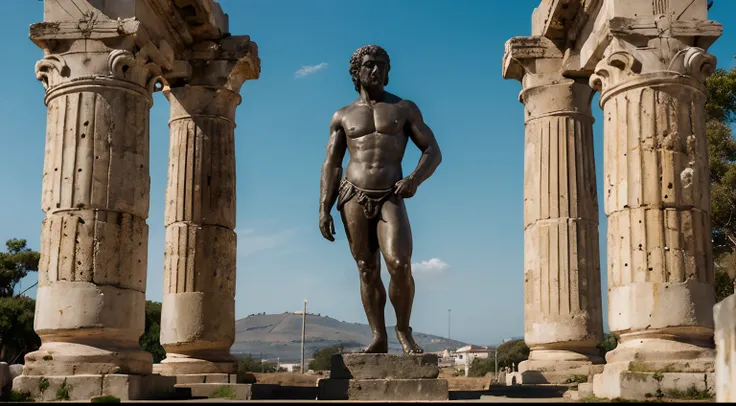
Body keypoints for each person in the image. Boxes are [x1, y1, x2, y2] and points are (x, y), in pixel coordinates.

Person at [318, 45, 442, 354]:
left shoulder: (403, 109)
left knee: (399, 263)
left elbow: (433, 151)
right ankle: (378, 336)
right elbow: (331, 164)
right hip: (352, 195)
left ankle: (403, 329)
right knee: (366, 268)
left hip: (391, 194)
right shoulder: (342, 115)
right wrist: (323, 207)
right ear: (356, 72)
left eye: (383, 66)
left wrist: (414, 179)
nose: (377, 71)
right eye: (371, 65)